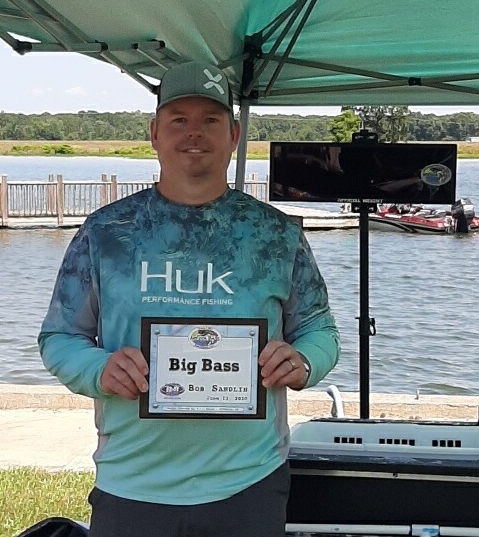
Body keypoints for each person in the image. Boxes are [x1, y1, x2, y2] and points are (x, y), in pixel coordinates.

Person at [38, 61, 340, 537]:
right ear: (154, 133)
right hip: (132, 482)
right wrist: (99, 368)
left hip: (249, 482)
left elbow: (320, 330)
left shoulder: (276, 235)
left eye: (210, 120)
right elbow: (59, 337)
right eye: (179, 119)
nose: (194, 133)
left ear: (234, 135)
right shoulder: (105, 232)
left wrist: (303, 361)